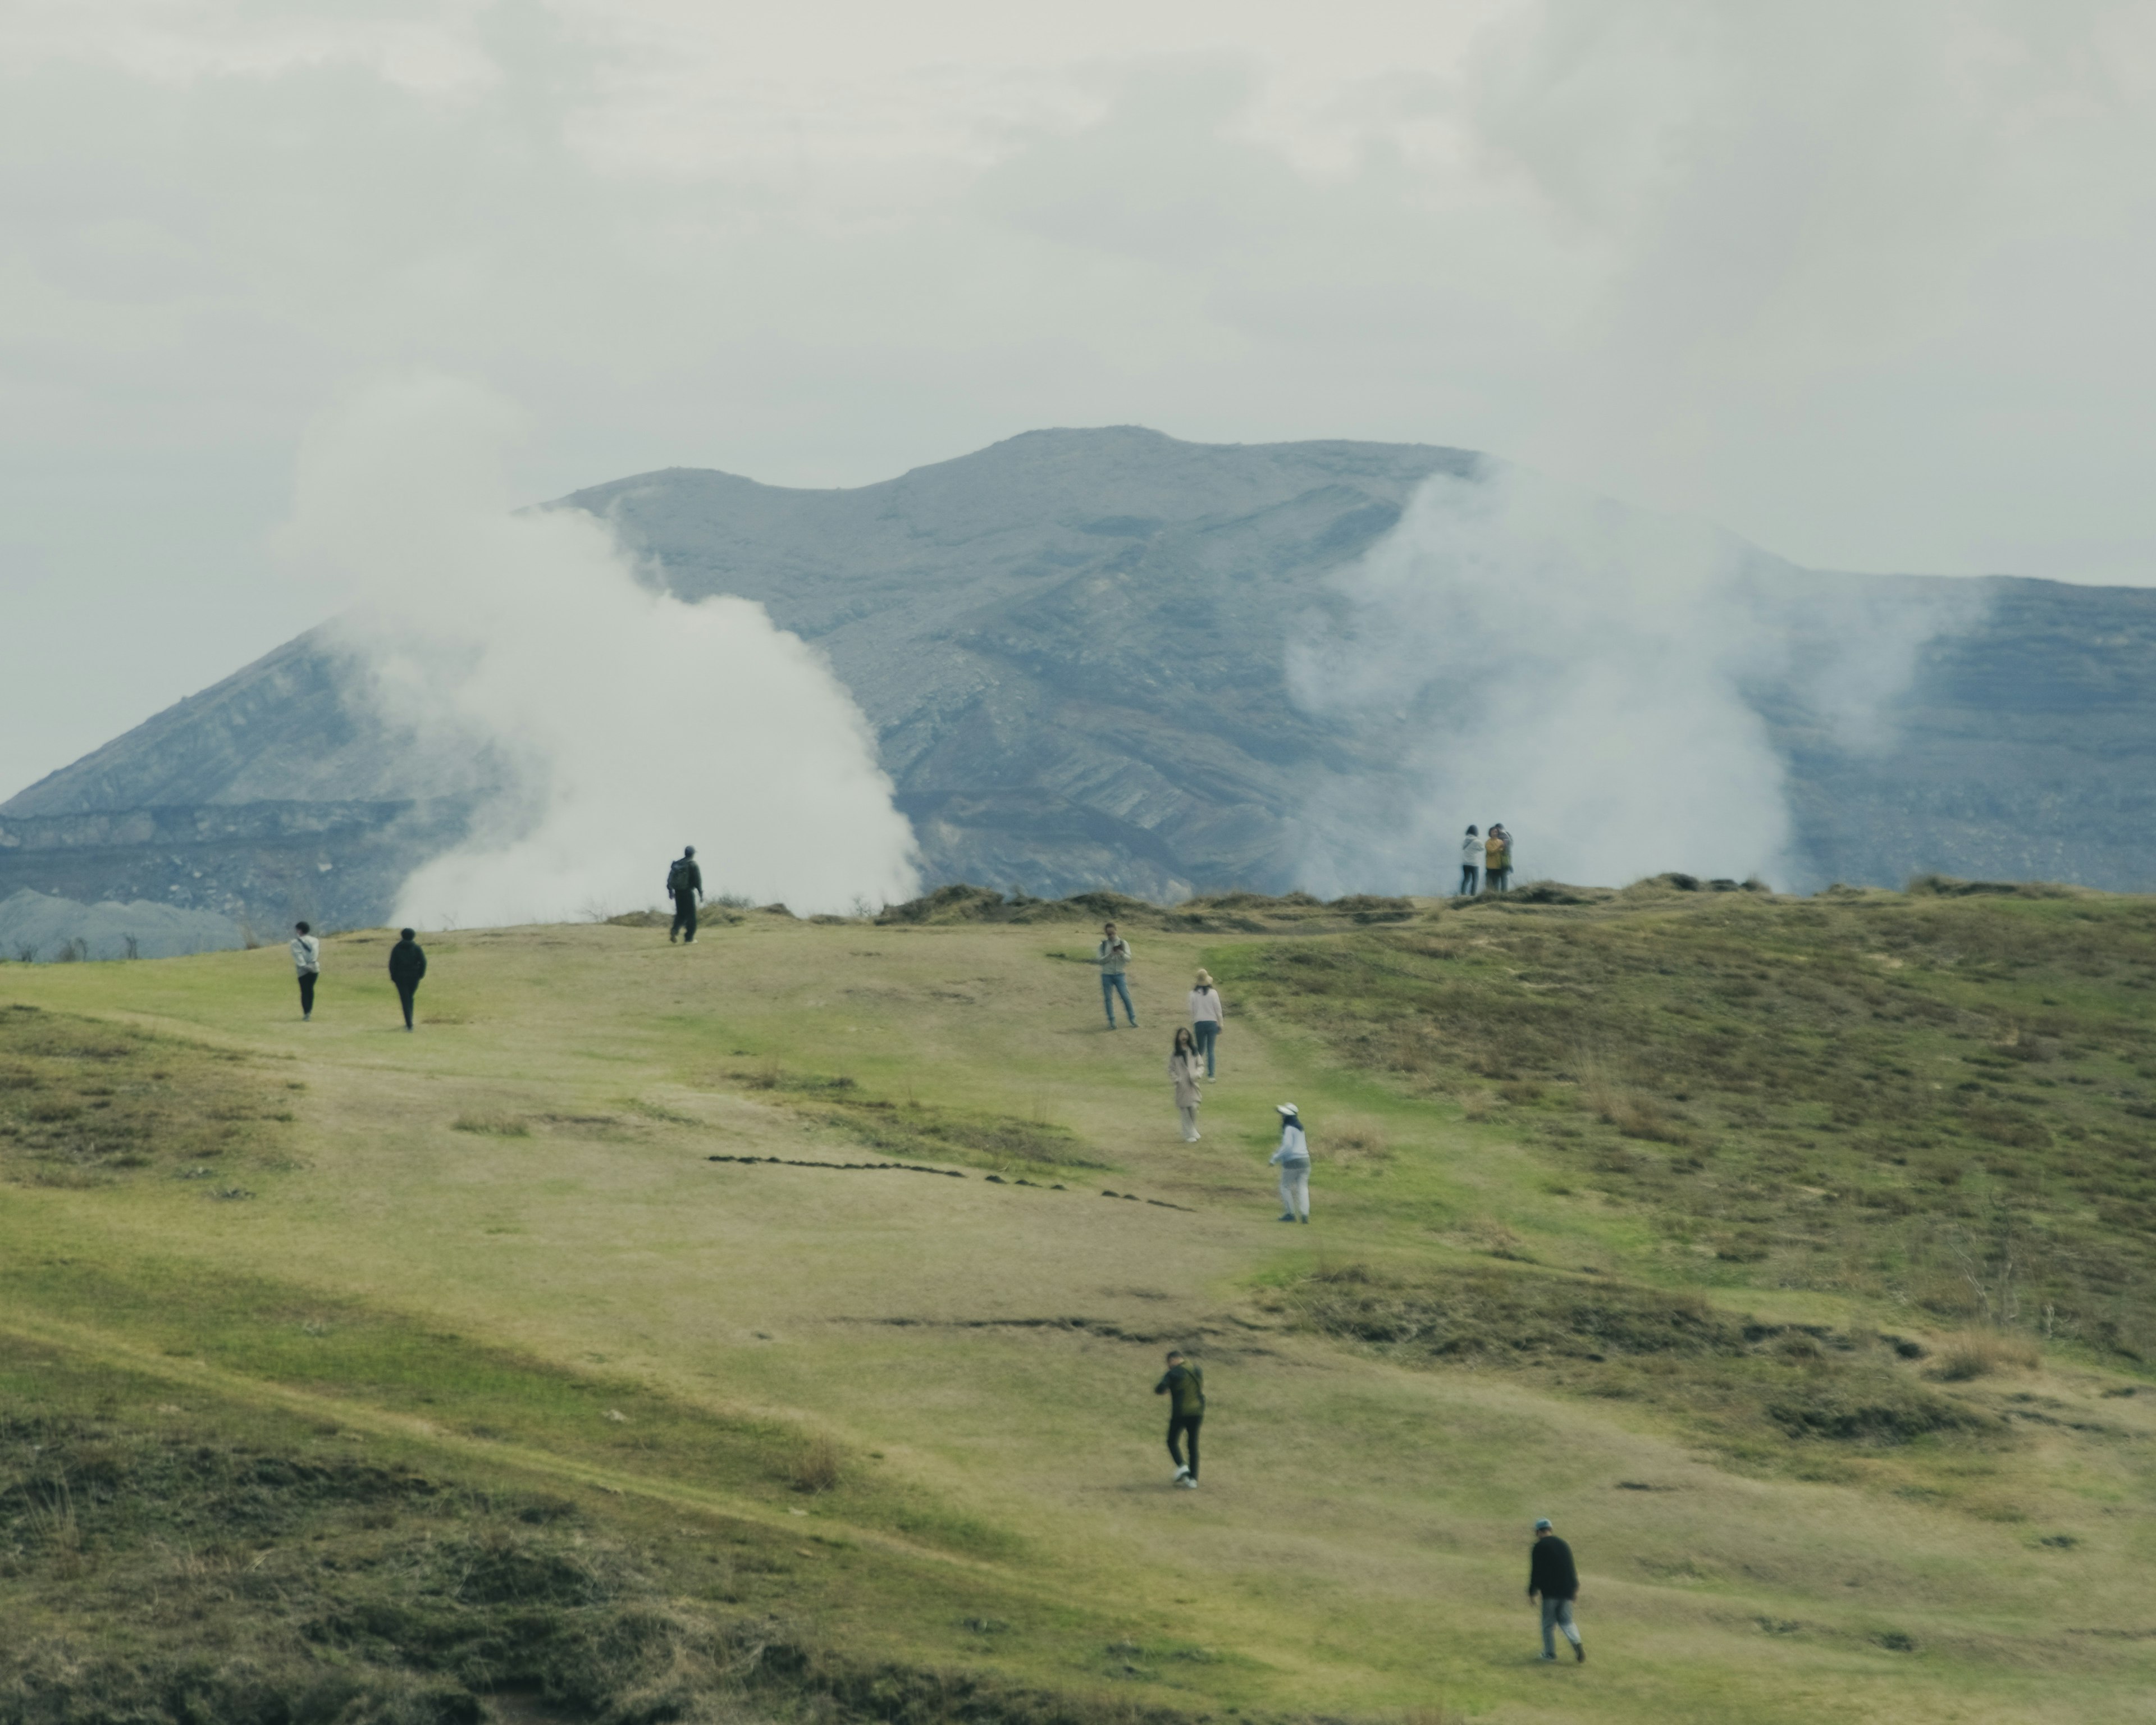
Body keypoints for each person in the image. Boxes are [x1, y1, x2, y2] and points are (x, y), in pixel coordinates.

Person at [1527, 1518, 1584, 1662]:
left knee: (1548, 1624)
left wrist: (1532, 1592)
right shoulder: (1564, 1545)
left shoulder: (1539, 1547)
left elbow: (1537, 1572)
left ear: (1538, 1532)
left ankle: (1550, 1654)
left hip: (1550, 1593)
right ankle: (1576, 1642)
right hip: (1567, 1592)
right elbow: (1571, 1569)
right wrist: (1574, 1589)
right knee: (1567, 1621)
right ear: (1550, 1530)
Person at [1154, 1349, 1204, 1487]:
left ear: (1172, 1360)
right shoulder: (1197, 1370)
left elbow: (1159, 1388)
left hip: (1181, 1413)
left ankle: (1182, 1467)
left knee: (1171, 1441)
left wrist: (1166, 1390)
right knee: (1192, 1445)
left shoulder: (1174, 1373)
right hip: (1198, 1413)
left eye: (1169, 1363)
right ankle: (1193, 1480)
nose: (1169, 1366)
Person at [1269, 1103, 1310, 1223]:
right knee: (1302, 1188)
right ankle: (1305, 1215)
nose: (1282, 1117)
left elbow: (1287, 1147)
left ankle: (1290, 1214)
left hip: (1292, 1161)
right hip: (1305, 1161)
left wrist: (1275, 1158)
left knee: (1285, 1187)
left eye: (1283, 1115)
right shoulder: (1300, 1127)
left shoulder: (1288, 1128)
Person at [1097, 921, 1136, 1029]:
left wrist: (1121, 953)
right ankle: (1112, 1022)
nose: (1111, 936)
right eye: (1109, 934)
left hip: (1120, 974)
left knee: (1125, 996)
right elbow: (1099, 961)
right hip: (1107, 975)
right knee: (1108, 999)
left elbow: (1129, 958)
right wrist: (1110, 955)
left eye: (1113, 933)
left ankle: (1132, 1019)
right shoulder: (1103, 945)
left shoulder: (1123, 943)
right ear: (1106, 934)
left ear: (1116, 931)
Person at [1168, 1028, 1205, 1142]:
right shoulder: (1175, 1054)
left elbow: (1201, 1065)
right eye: (1181, 1034)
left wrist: (1197, 1074)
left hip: (1193, 1085)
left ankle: (1192, 1131)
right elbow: (1171, 1069)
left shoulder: (1194, 1051)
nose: (1184, 1036)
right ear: (1178, 1037)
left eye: (1186, 1034)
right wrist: (1177, 1079)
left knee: (1193, 1107)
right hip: (1181, 1086)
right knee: (1184, 1111)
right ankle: (1189, 1135)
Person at [388, 927, 427, 1032]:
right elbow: (423, 962)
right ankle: (410, 1022)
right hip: (414, 977)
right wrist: (420, 974)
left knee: (405, 1000)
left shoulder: (397, 948)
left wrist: (394, 977)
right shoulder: (416, 948)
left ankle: (409, 1024)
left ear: (402, 936)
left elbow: (392, 964)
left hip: (400, 978)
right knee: (410, 998)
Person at [1187, 969, 1225, 1077]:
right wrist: (1221, 1024)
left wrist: (1193, 1023)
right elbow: (1218, 1010)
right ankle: (1211, 1075)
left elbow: (1191, 1011)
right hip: (1212, 1023)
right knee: (1211, 1050)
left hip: (1199, 1023)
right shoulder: (1213, 993)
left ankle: (1194, 1070)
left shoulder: (1193, 994)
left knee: (1200, 1049)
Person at [666, 846, 704, 943]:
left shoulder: (678, 864)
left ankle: (675, 930)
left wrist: (670, 891)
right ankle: (689, 938)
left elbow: (670, 879)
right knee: (691, 916)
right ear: (693, 854)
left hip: (678, 893)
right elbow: (698, 881)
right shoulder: (693, 865)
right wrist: (701, 893)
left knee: (681, 914)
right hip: (688, 893)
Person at [290, 921, 321, 1021]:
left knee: (304, 991)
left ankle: (307, 1012)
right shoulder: (315, 940)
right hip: (314, 967)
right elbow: (315, 952)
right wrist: (312, 963)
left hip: (303, 970)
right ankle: (309, 1011)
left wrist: (304, 965)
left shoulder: (295, 943)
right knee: (310, 989)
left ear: (300, 930)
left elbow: (298, 955)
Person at [1485, 824, 1512, 893]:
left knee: (1497, 879)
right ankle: (1504, 894)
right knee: (1504, 878)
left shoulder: (1501, 836)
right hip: (1507, 860)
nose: (1496, 832)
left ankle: (1496, 894)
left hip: (1500, 860)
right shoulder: (1508, 835)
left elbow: (1499, 848)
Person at [1459, 824, 1484, 896]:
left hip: (1465, 863)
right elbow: (1482, 848)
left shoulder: (1465, 840)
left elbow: (1463, 847)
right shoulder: (1477, 841)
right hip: (1474, 864)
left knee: (1466, 879)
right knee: (1475, 880)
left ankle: (1462, 894)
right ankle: (1473, 895)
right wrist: (1479, 838)